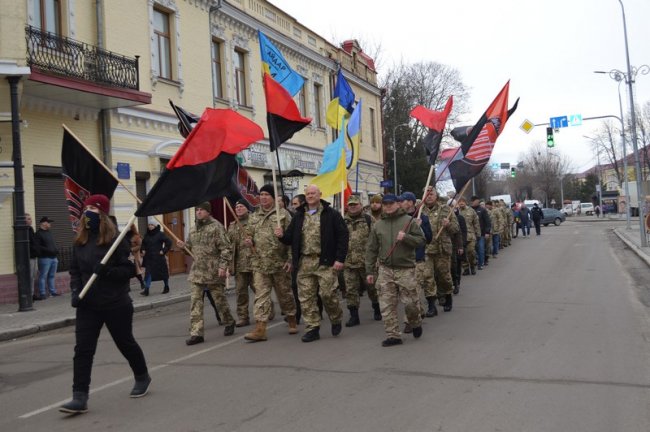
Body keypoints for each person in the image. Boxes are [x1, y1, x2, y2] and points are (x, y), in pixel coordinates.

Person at [60, 194, 150, 414]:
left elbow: (130, 270)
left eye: (92, 207)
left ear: (102, 212)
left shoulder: (116, 240)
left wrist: (108, 271)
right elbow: (75, 271)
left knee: (125, 342)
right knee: (83, 349)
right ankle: (79, 396)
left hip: (115, 303)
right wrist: (75, 291)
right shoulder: (80, 241)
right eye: (85, 207)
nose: (87, 211)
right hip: (88, 305)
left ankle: (142, 376)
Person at [276, 184, 349, 343]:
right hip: (304, 262)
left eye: (313, 193)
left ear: (320, 194)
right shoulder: (299, 215)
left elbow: (343, 237)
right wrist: (281, 236)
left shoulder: (331, 214)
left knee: (327, 294)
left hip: (325, 261)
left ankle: (335, 317)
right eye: (307, 193)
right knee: (306, 298)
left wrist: (340, 259)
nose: (310, 196)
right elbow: (289, 238)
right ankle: (312, 328)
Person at [365, 193, 425, 347]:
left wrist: (406, 238)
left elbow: (421, 241)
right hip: (385, 270)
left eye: (391, 203)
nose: (388, 206)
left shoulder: (408, 221)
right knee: (386, 304)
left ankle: (415, 322)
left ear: (398, 204)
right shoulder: (378, 225)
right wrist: (370, 271)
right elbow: (371, 249)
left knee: (411, 303)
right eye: (385, 204)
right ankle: (393, 335)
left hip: (405, 269)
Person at [243, 185, 298, 342]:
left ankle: (292, 318)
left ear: (273, 197)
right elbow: (249, 235)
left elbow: (291, 239)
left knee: (285, 294)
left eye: (267, 194)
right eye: (261, 194)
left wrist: (290, 259)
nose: (263, 197)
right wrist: (248, 241)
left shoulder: (283, 215)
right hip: (260, 263)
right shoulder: (254, 216)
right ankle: (260, 329)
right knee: (261, 296)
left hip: (279, 263)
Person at [177, 202, 235, 345]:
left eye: (201, 210)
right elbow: (190, 248)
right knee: (195, 302)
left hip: (213, 271)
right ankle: (196, 333)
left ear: (208, 212)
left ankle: (228, 321)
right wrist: (183, 247)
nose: (198, 212)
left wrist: (223, 266)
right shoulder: (193, 229)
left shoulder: (217, 227)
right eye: (197, 210)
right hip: (197, 271)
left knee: (219, 300)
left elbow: (226, 248)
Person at [343, 194, 381, 326]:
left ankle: (377, 309)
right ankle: (354, 316)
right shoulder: (343, 221)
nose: (353, 207)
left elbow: (378, 239)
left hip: (367, 262)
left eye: (355, 205)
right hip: (348, 262)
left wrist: (377, 259)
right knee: (350, 290)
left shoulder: (369, 220)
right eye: (350, 205)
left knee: (372, 288)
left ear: (361, 205)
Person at [422, 188, 460, 312]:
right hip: (426, 250)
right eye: (426, 194)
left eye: (431, 194)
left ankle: (448, 297)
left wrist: (448, 224)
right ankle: (431, 305)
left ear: (436, 196)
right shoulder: (420, 211)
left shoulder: (445, 209)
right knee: (427, 277)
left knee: (444, 276)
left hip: (441, 249)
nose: (429, 196)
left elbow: (456, 229)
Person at [400, 191, 433, 322]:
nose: (402, 203)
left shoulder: (422, 218)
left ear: (411, 202)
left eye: (404, 200)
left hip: (417, 259)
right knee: (407, 291)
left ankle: (409, 320)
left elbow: (429, 238)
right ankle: (420, 311)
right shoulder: (399, 218)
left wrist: (420, 228)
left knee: (414, 289)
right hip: (402, 260)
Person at [227, 200, 255, 328]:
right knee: (240, 292)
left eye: (241, 206)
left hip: (254, 262)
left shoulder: (254, 221)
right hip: (239, 264)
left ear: (247, 208)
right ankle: (243, 317)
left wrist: (253, 241)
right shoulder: (232, 225)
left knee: (259, 290)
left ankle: (267, 309)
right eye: (236, 206)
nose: (238, 208)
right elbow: (229, 244)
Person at [141, 219, 172, 295]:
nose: (150, 226)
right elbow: (143, 243)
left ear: (155, 226)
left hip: (158, 258)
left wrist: (163, 251)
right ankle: (146, 290)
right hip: (149, 258)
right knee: (148, 273)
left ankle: (166, 286)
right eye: (149, 225)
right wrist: (143, 249)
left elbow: (169, 242)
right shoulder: (147, 235)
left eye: (152, 225)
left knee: (163, 273)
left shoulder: (160, 234)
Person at [34, 216, 59, 298]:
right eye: (48, 222)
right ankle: (42, 293)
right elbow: (38, 246)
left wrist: (55, 249)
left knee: (52, 276)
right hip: (44, 258)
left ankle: (53, 292)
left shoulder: (49, 232)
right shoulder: (38, 234)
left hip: (53, 258)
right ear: (43, 223)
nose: (50, 224)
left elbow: (52, 244)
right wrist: (49, 250)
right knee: (43, 276)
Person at [458, 198, 479, 276]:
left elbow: (476, 223)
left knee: (471, 252)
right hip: (460, 237)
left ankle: (472, 266)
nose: (461, 203)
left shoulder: (471, 211)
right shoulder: (456, 211)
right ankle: (466, 268)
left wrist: (478, 234)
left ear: (465, 202)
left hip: (470, 235)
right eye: (459, 202)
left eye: (462, 202)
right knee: (462, 254)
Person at [470, 196, 491, 269]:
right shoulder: (469, 210)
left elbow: (487, 222)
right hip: (471, 234)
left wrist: (487, 232)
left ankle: (480, 263)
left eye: (475, 200)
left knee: (481, 249)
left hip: (481, 233)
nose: (473, 202)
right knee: (472, 250)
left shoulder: (482, 210)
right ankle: (475, 261)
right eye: (472, 201)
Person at [125, 225, 146, 291]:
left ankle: (142, 283)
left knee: (136, 271)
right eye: (126, 226)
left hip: (134, 256)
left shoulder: (136, 236)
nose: (127, 227)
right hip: (127, 256)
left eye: (128, 226)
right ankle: (128, 287)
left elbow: (139, 246)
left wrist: (131, 249)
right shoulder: (124, 236)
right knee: (127, 271)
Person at [25, 213, 39, 300]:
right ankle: (28, 295)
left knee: (33, 275)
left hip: (34, 256)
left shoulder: (30, 229)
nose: (31, 220)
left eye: (31, 218)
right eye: (29, 219)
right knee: (29, 276)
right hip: (29, 257)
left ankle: (32, 293)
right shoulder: (24, 230)